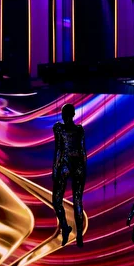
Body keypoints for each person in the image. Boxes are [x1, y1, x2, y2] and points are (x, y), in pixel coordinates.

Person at [52, 103, 87, 247]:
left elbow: (59, 149)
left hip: (65, 164)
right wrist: (84, 169)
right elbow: (83, 152)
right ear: (73, 114)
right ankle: (79, 235)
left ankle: (66, 227)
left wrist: (55, 169)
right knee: (78, 200)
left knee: (57, 200)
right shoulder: (79, 129)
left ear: (63, 114)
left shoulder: (59, 128)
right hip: (78, 165)